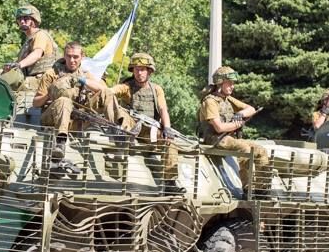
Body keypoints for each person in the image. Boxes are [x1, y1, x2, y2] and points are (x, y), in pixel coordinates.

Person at [33, 41, 134, 158]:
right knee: (64, 101)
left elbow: (104, 90)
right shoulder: (51, 74)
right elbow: (36, 103)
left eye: (75, 57)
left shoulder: (85, 74)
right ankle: (60, 143)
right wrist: (50, 92)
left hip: (77, 121)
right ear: (64, 56)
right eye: (69, 56)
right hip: (52, 120)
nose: (72, 60)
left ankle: (117, 130)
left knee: (106, 93)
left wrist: (83, 80)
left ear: (82, 57)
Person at [109, 52, 183, 194]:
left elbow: (163, 109)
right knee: (122, 112)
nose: (139, 73)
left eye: (143, 69)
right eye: (136, 69)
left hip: (150, 131)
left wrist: (167, 128)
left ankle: (170, 182)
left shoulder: (156, 89)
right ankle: (123, 138)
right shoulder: (127, 87)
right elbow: (111, 91)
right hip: (131, 127)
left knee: (171, 142)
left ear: (149, 71)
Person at [197, 66, 270, 191]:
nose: (233, 86)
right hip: (214, 139)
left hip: (227, 138)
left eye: (233, 83)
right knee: (244, 148)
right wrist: (237, 124)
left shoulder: (227, 99)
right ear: (220, 83)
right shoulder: (210, 101)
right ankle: (247, 188)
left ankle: (261, 189)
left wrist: (240, 114)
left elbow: (251, 109)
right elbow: (219, 128)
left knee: (260, 150)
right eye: (229, 83)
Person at [4, 4, 60, 91]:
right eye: (19, 19)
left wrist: (19, 65)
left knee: (4, 85)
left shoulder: (40, 35)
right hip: (32, 80)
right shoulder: (29, 40)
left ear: (34, 20)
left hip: (42, 81)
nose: (22, 21)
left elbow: (37, 54)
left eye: (26, 18)